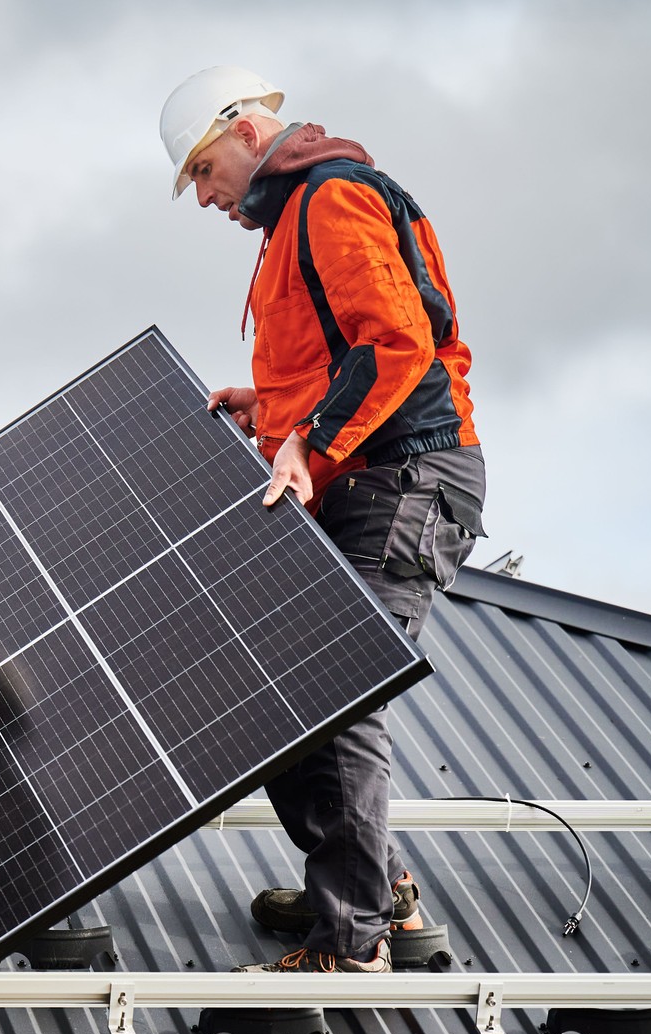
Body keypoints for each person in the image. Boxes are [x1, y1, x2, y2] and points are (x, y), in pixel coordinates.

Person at [160, 67, 488, 973]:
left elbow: (396, 343)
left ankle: (353, 938)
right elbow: (335, 358)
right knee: (279, 696)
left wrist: (304, 437)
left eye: (201, 170)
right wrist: (269, 407)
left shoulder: (333, 195)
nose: (203, 197)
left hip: (404, 478)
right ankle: (379, 888)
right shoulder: (290, 221)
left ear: (244, 131)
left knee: (336, 690)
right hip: (361, 475)